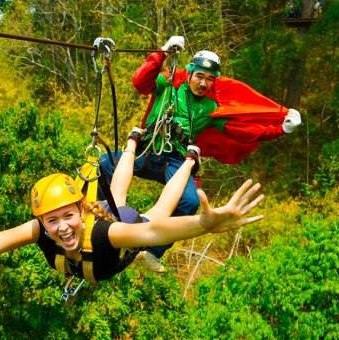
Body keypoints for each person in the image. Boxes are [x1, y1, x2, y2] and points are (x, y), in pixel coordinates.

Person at [0, 134, 264, 286]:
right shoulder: (43, 230)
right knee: (119, 194)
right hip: (104, 230)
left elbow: (154, 234)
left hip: (120, 234)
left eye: (67, 216)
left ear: (81, 210)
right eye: (51, 220)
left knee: (153, 210)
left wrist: (204, 224)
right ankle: (130, 142)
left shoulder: (107, 233)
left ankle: (191, 160)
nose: (61, 228)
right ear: (41, 221)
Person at [100, 36, 300, 271]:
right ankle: (102, 218)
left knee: (190, 201)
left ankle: (151, 251)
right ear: (190, 73)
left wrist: (280, 129)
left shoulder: (210, 108)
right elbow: (140, 81)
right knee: (105, 164)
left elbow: (243, 132)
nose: (204, 83)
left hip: (175, 160)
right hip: (149, 149)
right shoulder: (168, 84)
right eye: (200, 76)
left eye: (210, 79)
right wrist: (162, 53)